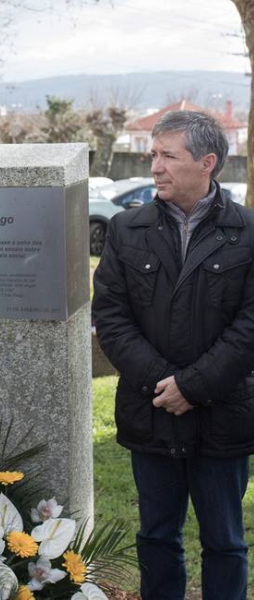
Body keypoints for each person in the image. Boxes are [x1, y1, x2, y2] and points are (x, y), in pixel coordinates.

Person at [93, 110, 254, 600]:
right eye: (153, 155)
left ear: (207, 162)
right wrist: (167, 385)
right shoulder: (126, 228)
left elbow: (250, 326)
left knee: (225, 542)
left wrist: (193, 386)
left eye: (168, 156)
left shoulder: (248, 231)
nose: (155, 167)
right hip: (153, 410)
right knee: (157, 537)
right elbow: (111, 317)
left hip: (223, 415)